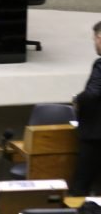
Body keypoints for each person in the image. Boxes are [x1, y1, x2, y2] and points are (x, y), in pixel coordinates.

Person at [71, 21, 101, 196]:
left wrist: (77, 100)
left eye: (94, 39)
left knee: (80, 189)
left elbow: (92, 94)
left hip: (95, 136)